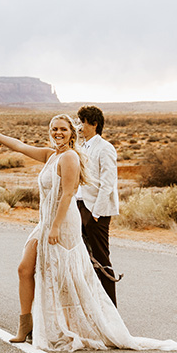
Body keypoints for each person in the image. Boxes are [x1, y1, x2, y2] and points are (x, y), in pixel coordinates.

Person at [0, 115, 177, 352]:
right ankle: (25, 326)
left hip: (62, 223)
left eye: (63, 129)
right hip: (45, 221)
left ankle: (75, 323)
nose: (58, 133)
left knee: (65, 276)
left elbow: (68, 194)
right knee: (25, 268)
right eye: (54, 129)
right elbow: (20, 146)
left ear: (71, 133)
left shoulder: (69, 157)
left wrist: (55, 227)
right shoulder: (50, 155)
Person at [75, 105, 120, 305]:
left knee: (101, 258)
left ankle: (110, 308)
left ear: (94, 124)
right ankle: (93, 305)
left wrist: (97, 212)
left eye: (82, 122)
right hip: (79, 207)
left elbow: (108, 182)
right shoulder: (82, 146)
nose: (79, 126)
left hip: (95, 211)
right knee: (84, 258)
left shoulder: (105, 148)